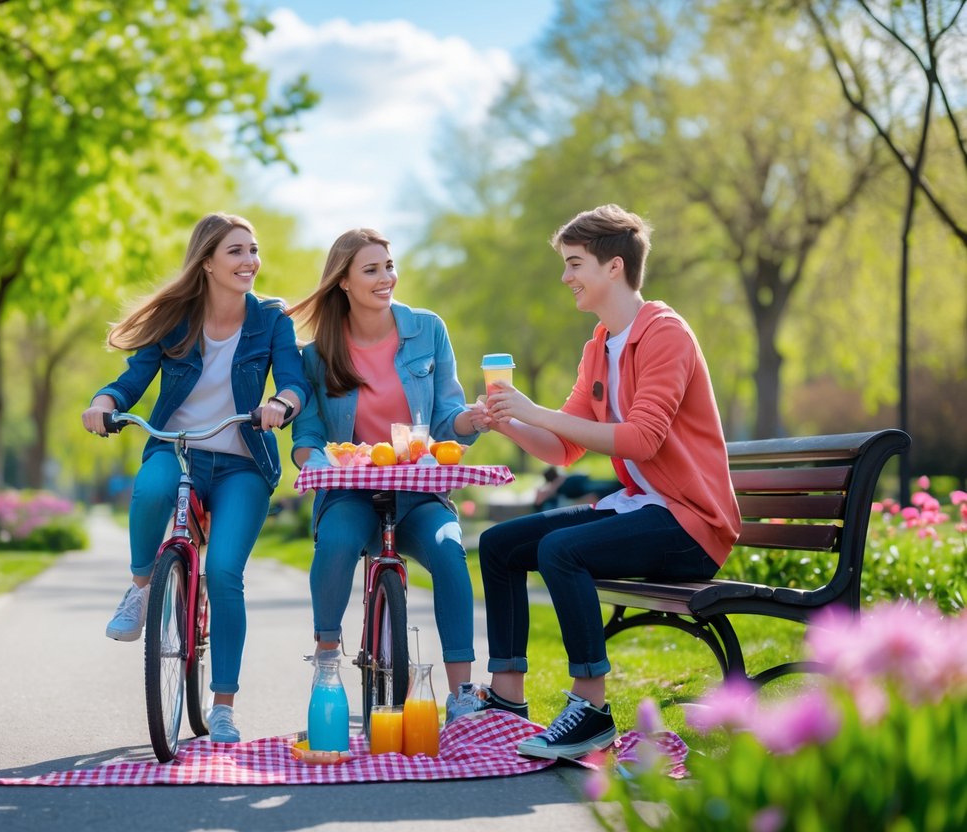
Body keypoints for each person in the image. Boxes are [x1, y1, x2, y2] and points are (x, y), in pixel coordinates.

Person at [466, 204, 741, 760]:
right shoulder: (600, 345)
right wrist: (512, 422)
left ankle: (591, 709)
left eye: (574, 264)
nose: (566, 277)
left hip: (692, 523)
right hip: (642, 510)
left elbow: (642, 440)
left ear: (613, 267)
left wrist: (535, 411)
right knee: (499, 544)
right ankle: (508, 699)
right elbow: (564, 447)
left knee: (561, 550)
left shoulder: (665, 334)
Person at [81, 212, 309, 744]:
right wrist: (103, 403)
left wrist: (279, 403)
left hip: (243, 462)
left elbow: (294, 381)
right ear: (206, 261)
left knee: (226, 573)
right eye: (236, 251)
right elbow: (132, 379)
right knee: (153, 486)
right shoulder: (176, 321)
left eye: (253, 250)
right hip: (177, 449)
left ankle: (223, 705)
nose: (250, 261)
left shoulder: (272, 319)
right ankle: (141, 588)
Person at [288, 228, 487, 721]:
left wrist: (472, 420)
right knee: (334, 542)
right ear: (344, 283)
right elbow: (307, 438)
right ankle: (328, 662)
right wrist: (316, 467)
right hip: (350, 492)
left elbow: (447, 417)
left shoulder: (427, 330)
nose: (386, 278)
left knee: (448, 552)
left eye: (389, 266)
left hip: (417, 492)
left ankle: (461, 694)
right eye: (371, 270)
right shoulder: (316, 357)